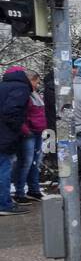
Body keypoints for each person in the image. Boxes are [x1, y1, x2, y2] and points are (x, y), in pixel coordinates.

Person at [0, 66, 32, 216]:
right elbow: (11, 111)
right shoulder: (21, 88)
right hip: (5, 136)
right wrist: (19, 127)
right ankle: (4, 204)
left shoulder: (3, 86)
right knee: (4, 169)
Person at [11, 69, 46, 205]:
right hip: (29, 133)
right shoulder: (24, 94)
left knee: (34, 163)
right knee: (26, 162)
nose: (37, 85)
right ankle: (20, 192)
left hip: (37, 131)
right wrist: (26, 130)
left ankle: (34, 189)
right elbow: (19, 113)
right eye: (35, 82)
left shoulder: (35, 94)